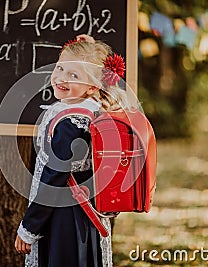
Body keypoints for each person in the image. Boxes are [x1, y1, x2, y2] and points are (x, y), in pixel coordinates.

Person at [15, 34, 136, 267]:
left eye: (73, 75)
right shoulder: (91, 107)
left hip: (65, 217)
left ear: (92, 86)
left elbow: (54, 177)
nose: (61, 78)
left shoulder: (71, 122)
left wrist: (30, 227)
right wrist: (88, 52)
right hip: (85, 210)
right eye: (60, 68)